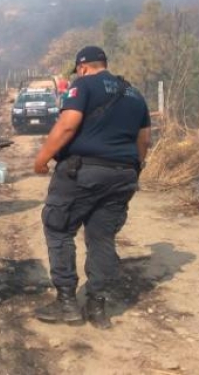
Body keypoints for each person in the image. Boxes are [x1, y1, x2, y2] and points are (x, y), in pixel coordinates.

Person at [33, 46, 151, 329]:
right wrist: (133, 167)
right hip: (123, 174)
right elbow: (143, 141)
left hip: (83, 171)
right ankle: (97, 306)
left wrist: (42, 159)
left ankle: (66, 303)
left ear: (82, 67)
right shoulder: (135, 95)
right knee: (102, 237)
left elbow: (67, 125)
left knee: (58, 228)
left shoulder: (82, 85)